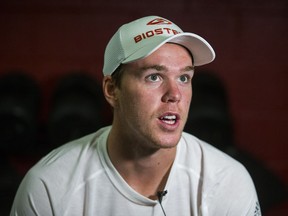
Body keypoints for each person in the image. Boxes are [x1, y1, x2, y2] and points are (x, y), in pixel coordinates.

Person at [10, 15, 261, 215]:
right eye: (154, 77)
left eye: (184, 77)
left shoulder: (227, 182)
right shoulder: (49, 186)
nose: (174, 94)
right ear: (111, 90)